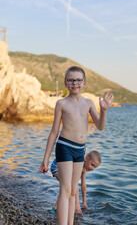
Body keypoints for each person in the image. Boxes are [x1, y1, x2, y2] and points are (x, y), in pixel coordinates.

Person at [39, 66, 112, 225]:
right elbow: (53, 132)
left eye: (78, 80)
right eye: (71, 80)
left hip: (80, 150)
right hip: (64, 146)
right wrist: (45, 159)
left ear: (84, 83)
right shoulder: (61, 103)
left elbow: (100, 126)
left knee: (73, 190)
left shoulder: (88, 103)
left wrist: (104, 110)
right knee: (65, 190)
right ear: (66, 83)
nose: (75, 83)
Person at [51, 150, 101, 214]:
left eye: (95, 167)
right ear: (86, 158)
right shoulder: (78, 163)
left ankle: (56, 207)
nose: (92, 168)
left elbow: (83, 186)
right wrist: (77, 205)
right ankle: (57, 207)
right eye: (92, 165)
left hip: (63, 167)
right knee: (71, 186)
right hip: (57, 167)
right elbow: (75, 185)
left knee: (66, 188)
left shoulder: (84, 169)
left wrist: (84, 201)